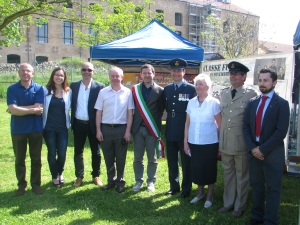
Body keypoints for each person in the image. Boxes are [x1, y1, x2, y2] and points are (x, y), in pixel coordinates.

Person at [243, 68, 290, 225]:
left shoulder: (282, 104)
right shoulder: (252, 103)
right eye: (260, 80)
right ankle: (257, 217)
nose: (262, 84)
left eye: (266, 80)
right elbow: (246, 127)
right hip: (253, 152)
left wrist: (261, 149)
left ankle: (270, 220)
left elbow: (280, 132)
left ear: (274, 82)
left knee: (273, 189)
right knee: (257, 187)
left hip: (272, 154)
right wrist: (252, 148)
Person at [218, 61, 257, 217]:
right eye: (231, 74)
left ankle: (239, 206)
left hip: (241, 143)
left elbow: (252, 121)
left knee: (241, 175)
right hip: (226, 141)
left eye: (236, 74)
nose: (232, 76)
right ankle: (228, 203)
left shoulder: (251, 94)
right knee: (228, 174)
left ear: (243, 77)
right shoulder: (224, 93)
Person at [184, 74, 221, 208]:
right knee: (197, 168)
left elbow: (220, 124)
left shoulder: (214, 103)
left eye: (201, 84)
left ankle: (210, 195)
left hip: (210, 142)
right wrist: (185, 142)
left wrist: (220, 144)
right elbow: (187, 124)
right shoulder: (191, 102)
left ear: (208, 86)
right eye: (197, 84)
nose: (198, 86)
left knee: (209, 168)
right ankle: (200, 193)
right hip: (194, 141)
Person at [95, 67, 134, 193]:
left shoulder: (128, 93)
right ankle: (110, 181)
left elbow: (130, 113)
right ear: (109, 77)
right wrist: (98, 130)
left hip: (121, 129)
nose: (115, 78)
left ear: (122, 77)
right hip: (105, 129)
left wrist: (128, 131)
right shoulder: (103, 92)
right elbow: (98, 112)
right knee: (108, 156)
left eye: (118, 76)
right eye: (113, 76)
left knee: (121, 156)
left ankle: (120, 182)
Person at [7, 63, 44, 195]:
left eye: (28, 71)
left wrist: (17, 110)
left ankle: (36, 184)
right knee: (19, 159)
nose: (25, 73)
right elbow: (13, 109)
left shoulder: (39, 89)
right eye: (22, 70)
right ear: (19, 73)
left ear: (32, 73)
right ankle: (21, 185)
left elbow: (38, 108)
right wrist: (31, 109)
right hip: (18, 129)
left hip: (35, 129)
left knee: (36, 159)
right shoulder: (12, 89)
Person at [164, 58, 196, 198]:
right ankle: (174, 186)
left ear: (184, 72)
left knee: (186, 162)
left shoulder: (191, 89)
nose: (176, 73)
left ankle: (187, 188)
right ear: (171, 72)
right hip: (170, 129)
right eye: (174, 70)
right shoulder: (167, 89)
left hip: (185, 130)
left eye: (179, 70)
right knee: (172, 161)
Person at [70, 62, 105, 187]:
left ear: (93, 71)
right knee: (78, 151)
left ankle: (96, 175)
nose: (86, 72)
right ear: (81, 71)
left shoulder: (100, 87)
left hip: (94, 124)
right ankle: (79, 177)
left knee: (96, 151)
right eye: (84, 69)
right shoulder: (73, 86)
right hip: (78, 124)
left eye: (89, 70)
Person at [131, 64, 164, 192]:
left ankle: (151, 181)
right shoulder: (135, 90)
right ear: (141, 75)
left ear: (153, 74)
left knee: (152, 158)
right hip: (138, 129)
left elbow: (161, 109)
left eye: (149, 73)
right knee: (138, 157)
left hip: (152, 129)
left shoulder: (160, 91)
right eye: (144, 73)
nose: (146, 75)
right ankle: (138, 181)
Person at [43, 67, 72, 187]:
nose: (59, 77)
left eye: (61, 75)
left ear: (64, 78)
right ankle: (55, 176)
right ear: (52, 76)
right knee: (51, 152)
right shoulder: (45, 90)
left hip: (62, 128)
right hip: (49, 128)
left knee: (62, 153)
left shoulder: (68, 91)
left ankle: (60, 173)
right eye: (57, 75)